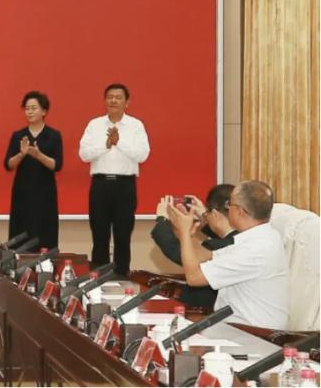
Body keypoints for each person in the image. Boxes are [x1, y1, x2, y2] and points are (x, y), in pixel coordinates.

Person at [168, 180, 289, 329]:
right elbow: (207, 256)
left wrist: (185, 233)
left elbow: (194, 277)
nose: (227, 209)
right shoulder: (263, 237)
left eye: (229, 204)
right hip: (236, 328)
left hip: (251, 334)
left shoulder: (254, 250)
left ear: (239, 211)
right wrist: (186, 235)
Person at [77, 82, 150, 276]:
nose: (113, 101)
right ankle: (98, 278)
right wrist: (106, 144)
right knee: (99, 235)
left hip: (125, 186)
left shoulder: (135, 126)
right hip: (100, 185)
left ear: (127, 102)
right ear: (104, 100)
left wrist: (120, 142)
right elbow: (84, 154)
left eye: (118, 97)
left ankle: (122, 276)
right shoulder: (94, 125)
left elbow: (142, 155)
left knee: (123, 235)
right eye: (110, 97)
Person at [150, 184, 237, 309]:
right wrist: (206, 216)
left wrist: (161, 219)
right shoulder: (245, 237)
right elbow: (225, 235)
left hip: (204, 310)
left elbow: (177, 251)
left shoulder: (217, 246)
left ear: (215, 214)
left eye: (208, 212)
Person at [4, 91, 63, 250]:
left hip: (45, 194)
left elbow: (57, 165)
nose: (29, 112)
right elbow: (8, 165)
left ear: (44, 111)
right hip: (22, 193)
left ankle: (45, 265)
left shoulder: (53, 135)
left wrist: (38, 155)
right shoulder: (18, 135)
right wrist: (21, 154)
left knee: (45, 236)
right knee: (20, 236)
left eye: (34, 108)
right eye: (27, 108)